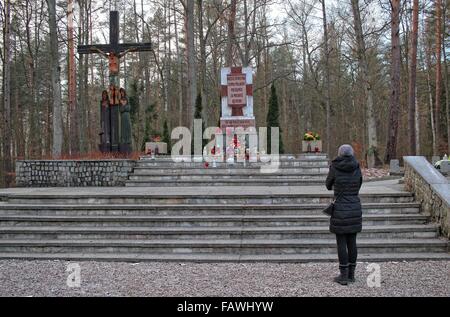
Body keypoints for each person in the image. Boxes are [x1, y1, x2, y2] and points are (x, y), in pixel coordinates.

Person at [326, 144, 363, 285]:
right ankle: (352, 275)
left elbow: (328, 185)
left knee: (341, 242)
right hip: (354, 206)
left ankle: (343, 276)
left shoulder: (335, 167)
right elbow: (359, 184)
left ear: (340, 154)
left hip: (340, 207)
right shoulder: (357, 166)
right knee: (352, 241)